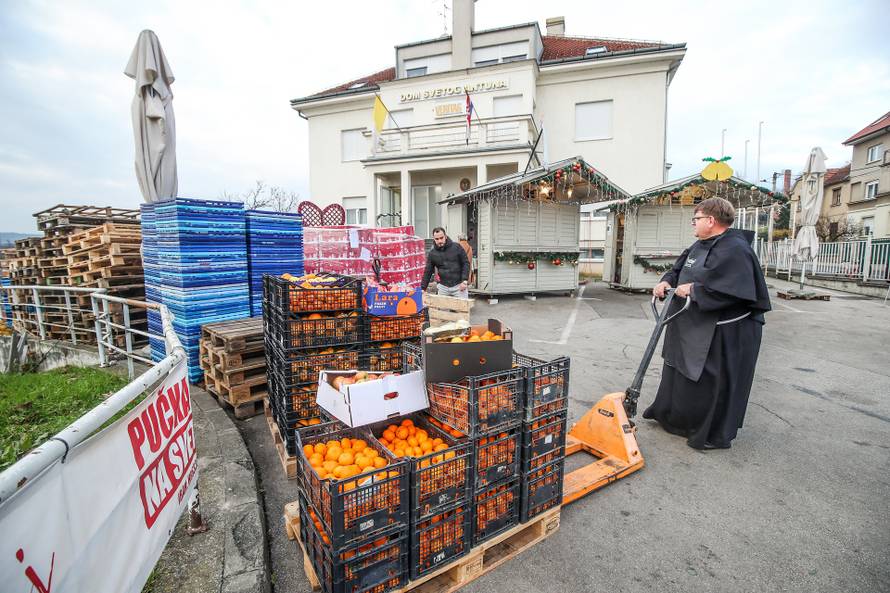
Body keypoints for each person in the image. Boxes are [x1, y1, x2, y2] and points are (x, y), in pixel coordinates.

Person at [642, 197, 771, 450]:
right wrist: (666, 281)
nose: (693, 224)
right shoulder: (699, 245)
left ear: (711, 220)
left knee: (713, 380)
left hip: (726, 331)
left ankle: (709, 432)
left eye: (696, 219)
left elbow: (734, 290)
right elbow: (678, 271)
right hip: (692, 322)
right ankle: (676, 419)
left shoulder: (736, 249)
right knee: (678, 369)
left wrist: (695, 290)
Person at [422, 227, 470, 299]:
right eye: (437, 239)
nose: (439, 241)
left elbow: (465, 263)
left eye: (441, 238)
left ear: (446, 237)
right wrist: (423, 288)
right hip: (443, 287)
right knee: (441, 310)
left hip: (459, 286)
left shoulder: (457, 247)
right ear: (434, 239)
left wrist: (464, 281)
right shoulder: (432, 253)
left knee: (462, 309)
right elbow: (428, 271)